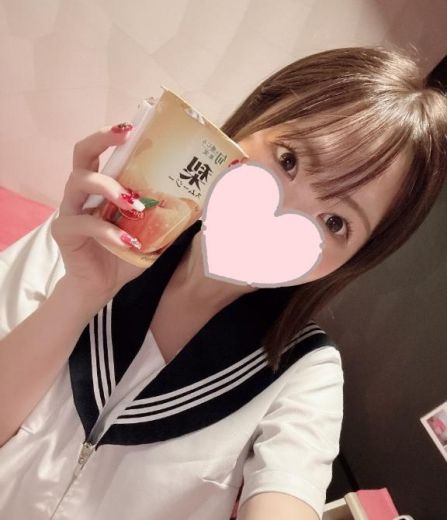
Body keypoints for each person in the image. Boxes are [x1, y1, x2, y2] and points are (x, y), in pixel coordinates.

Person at [0, 46, 446, 520]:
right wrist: (79, 293)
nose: (284, 213)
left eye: (336, 222)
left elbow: (289, 494)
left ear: (354, 260)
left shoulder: (305, 374)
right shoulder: (97, 231)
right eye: (289, 160)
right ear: (250, 124)